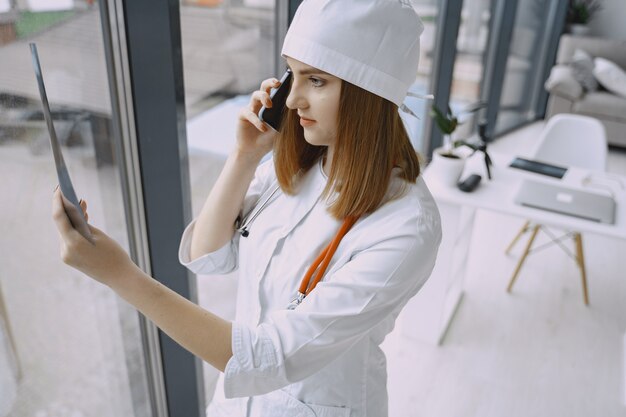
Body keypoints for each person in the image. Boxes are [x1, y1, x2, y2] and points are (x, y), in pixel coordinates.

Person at [52, 0, 442, 415]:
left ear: (371, 93)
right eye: (294, 74)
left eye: (318, 81)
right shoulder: (296, 166)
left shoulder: (405, 226)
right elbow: (208, 256)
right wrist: (242, 156)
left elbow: (270, 358)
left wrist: (120, 275)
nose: (292, 101)